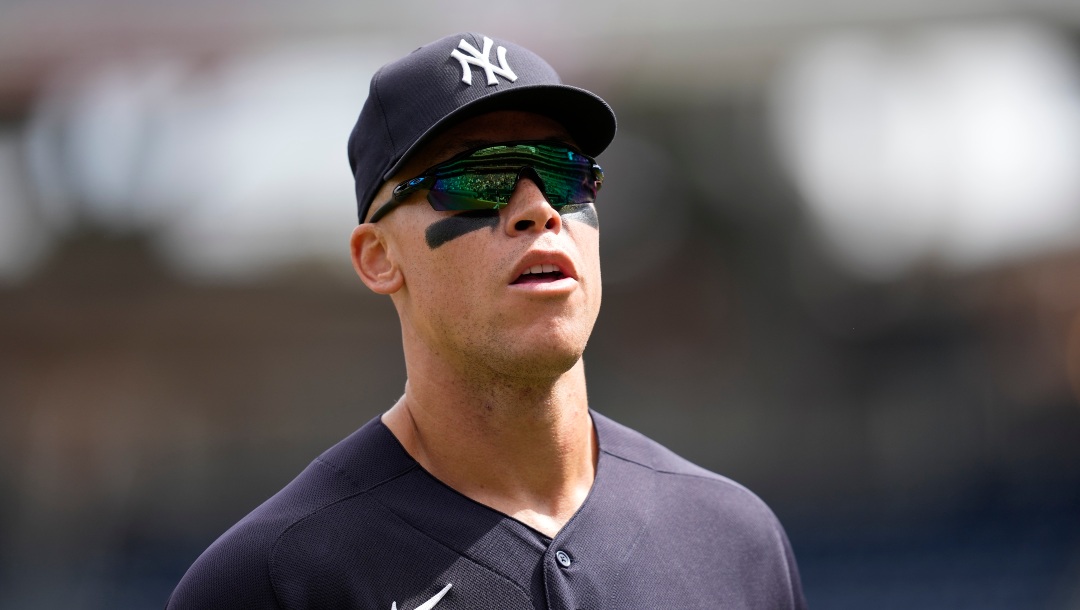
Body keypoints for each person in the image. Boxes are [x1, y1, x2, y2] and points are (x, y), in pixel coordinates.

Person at [167, 32, 806, 610]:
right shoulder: (274, 581)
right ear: (379, 257)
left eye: (565, 173)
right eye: (481, 178)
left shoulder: (734, 540)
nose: (537, 209)